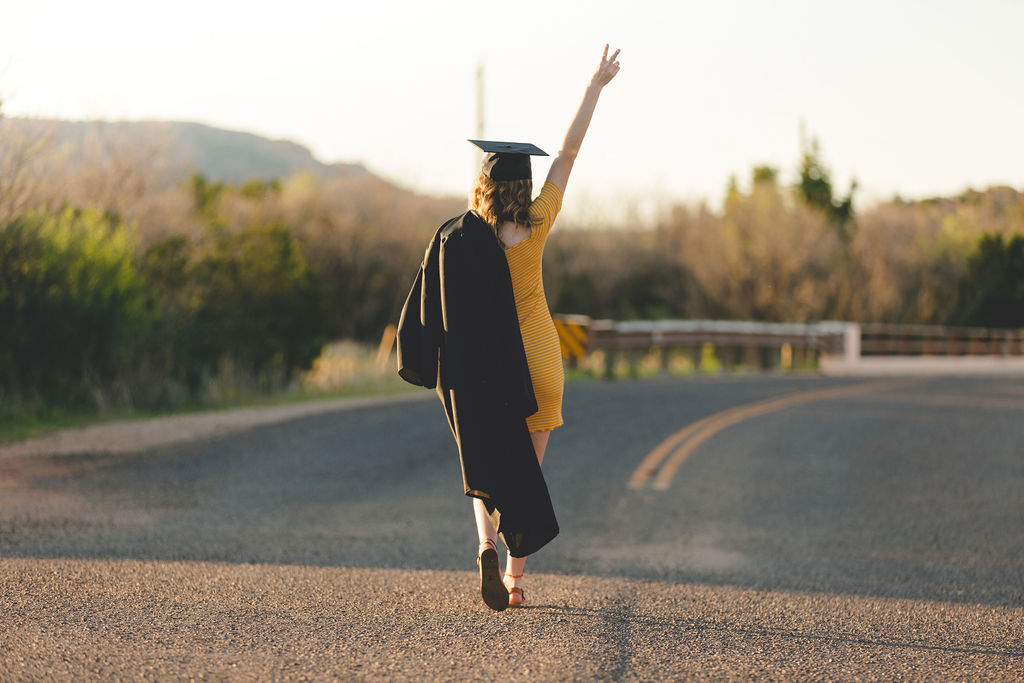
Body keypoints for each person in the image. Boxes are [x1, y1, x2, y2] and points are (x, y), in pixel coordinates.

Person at [466, 45, 621, 608]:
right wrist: (594, 86)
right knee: (525, 480)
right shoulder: (538, 220)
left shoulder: (468, 240)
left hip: (489, 367)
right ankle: (514, 579)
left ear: (483, 188)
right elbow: (569, 150)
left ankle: (484, 543)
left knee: (482, 464)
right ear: (523, 190)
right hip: (538, 360)